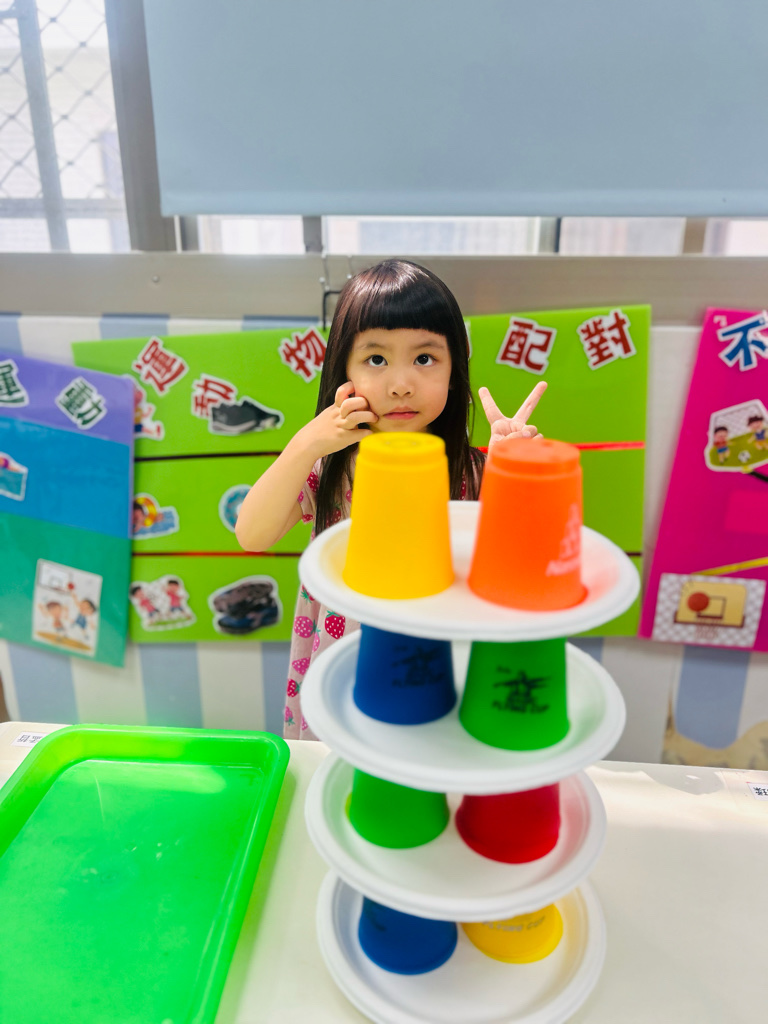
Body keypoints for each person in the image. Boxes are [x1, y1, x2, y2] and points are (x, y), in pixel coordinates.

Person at [236, 259, 546, 739]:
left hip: (440, 668)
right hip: (346, 669)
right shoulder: (332, 467)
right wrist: (307, 443)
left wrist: (511, 475)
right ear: (344, 370)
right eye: (376, 360)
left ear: (454, 370)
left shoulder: (473, 471)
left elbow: (518, 570)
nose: (401, 384)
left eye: (425, 359)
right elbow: (252, 534)